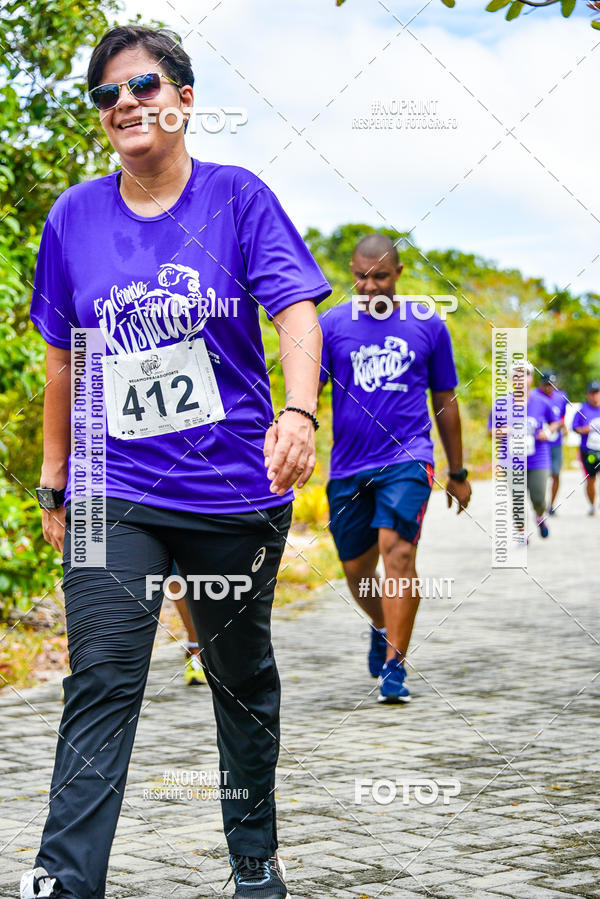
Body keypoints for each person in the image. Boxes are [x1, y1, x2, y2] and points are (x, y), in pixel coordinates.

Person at [22, 25, 331, 899]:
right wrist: (55, 479)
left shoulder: (238, 198)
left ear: (184, 100)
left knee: (240, 679)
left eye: (144, 85)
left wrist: (298, 411)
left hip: (231, 489)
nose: (125, 102)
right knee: (102, 678)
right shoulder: (74, 216)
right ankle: (64, 880)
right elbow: (63, 357)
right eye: (107, 93)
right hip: (109, 488)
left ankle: (254, 859)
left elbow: (296, 310)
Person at [318, 234, 471, 704]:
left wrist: (458, 472)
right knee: (355, 568)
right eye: (360, 277)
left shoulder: (427, 324)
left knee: (397, 552)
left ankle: (394, 666)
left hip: (408, 457)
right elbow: (308, 392)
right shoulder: (331, 325)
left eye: (380, 277)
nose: (369, 287)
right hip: (348, 466)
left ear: (399, 273)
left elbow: (445, 399)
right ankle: (382, 623)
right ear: (351, 272)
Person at [487, 361, 560, 540]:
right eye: (517, 375)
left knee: (538, 498)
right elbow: (490, 430)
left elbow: (556, 422)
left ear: (531, 379)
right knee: (518, 499)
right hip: (511, 460)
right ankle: (522, 532)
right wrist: (502, 431)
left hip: (538, 458)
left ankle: (539, 516)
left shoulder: (541, 402)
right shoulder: (501, 404)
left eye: (525, 374)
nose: (521, 379)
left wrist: (547, 432)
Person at [532, 371, 568, 515]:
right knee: (540, 475)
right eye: (546, 384)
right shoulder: (534, 396)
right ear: (540, 384)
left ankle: (551, 505)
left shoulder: (561, 397)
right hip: (538, 444)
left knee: (556, 474)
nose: (549, 387)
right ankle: (538, 503)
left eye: (552, 385)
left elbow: (562, 416)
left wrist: (562, 426)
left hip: (555, 442)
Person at [572, 381, 600, 515]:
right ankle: (592, 505)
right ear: (588, 394)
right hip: (587, 450)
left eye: (597, 393)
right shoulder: (582, 410)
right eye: (592, 393)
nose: (594, 396)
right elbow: (575, 428)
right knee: (591, 479)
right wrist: (587, 429)